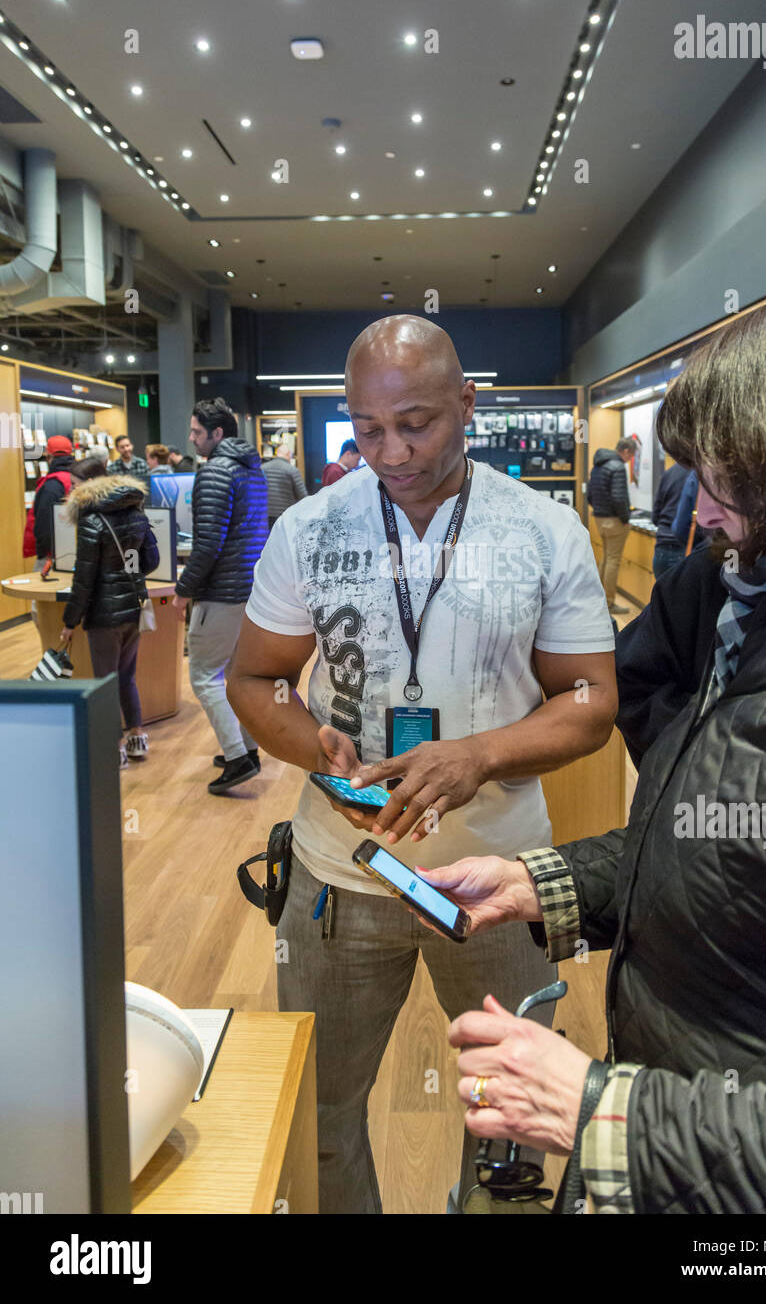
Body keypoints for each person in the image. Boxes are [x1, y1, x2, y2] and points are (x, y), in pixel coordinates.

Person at [419, 281, 766, 1214]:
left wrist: (598, 1112)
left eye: (726, 479)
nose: (702, 512)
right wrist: (546, 884)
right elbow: (727, 855)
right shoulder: (745, 607)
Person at [227, 314, 617, 1213]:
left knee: (510, 1129)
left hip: (501, 885)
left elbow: (592, 700)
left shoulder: (543, 530)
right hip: (340, 875)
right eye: (368, 428)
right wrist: (316, 747)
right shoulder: (310, 529)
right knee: (319, 1115)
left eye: (417, 424)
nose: (392, 452)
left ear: (468, 405)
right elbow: (253, 678)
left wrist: (481, 754)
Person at [172, 397, 268, 795]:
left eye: (197, 432)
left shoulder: (215, 471)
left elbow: (208, 543)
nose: (191, 438)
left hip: (221, 593)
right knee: (233, 675)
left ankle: (237, 757)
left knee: (204, 676)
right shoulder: (252, 469)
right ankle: (247, 748)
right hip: (249, 589)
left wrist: (183, 591)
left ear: (217, 433)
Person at [58, 457, 159, 768]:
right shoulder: (136, 512)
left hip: (104, 615)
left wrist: (70, 621)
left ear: (91, 484)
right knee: (127, 677)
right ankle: (137, 738)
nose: (71, 491)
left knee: (105, 682)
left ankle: (115, 748)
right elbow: (151, 560)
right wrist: (128, 571)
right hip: (133, 610)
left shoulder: (91, 521)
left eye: (75, 485)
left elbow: (84, 579)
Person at [587, 438, 635, 614]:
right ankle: (609, 602)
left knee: (606, 558)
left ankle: (598, 599)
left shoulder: (598, 465)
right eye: (631, 455)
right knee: (613, 560)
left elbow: (590, 495)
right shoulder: (617, 466)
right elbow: (619, 498)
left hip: (599, 519)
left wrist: (599, 509)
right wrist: (625, 518)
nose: (630, 459)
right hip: (615, 520)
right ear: (626, 451)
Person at [25, 434, 76, 567]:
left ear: (48, 456)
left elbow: (44, 523)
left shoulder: (51, 485)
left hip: (53, 555)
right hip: (73, 549)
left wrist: (43, 552)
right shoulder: (77, 478)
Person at [650, 459, 690, 580]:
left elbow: (655, 515)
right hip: (684, 547)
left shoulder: (669, 472)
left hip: (661, 547)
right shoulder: (698, 475)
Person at [262, 443, 307, 529]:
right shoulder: (292, 470)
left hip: (265, 515)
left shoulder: (262, 468)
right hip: (285, 516)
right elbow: (302, 495)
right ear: (288, 454)